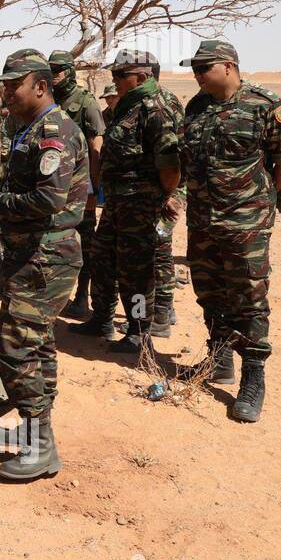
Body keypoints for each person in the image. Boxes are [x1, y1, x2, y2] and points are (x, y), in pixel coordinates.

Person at [0, 49, 88, 481]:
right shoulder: (24, 127)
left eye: (15, 85)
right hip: (32, 257)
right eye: (5, 85)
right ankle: (39, 430)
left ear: (41, 86)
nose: (7, 92)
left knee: (14, 347)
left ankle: (41, 444)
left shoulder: (56, 131)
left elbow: (48, 199)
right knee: (39, 344)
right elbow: (11, 175)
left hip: (45, 257)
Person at [179, 40, 281, 423]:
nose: (197, 75)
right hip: (203, 219)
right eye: (194, 69)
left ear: (229, 66)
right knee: (209, 288)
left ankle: (253, 376)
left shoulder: (264, 104)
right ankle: (219, 360)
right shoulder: (197, 106)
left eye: (204, 68)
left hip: (246, 220)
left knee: (248, 295)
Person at [70, 50, 181, 353]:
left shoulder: (157, 107)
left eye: (121, 75)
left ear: (142, 76)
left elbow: (170, 165)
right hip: (118, 202)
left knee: (136, 272)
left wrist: (165, 197)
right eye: (114, 75)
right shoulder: (128, 105)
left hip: (141, 205)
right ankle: (102, 318)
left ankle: (138, 329)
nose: (114, 80)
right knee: (102, 258)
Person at [46, 52, 106, 322]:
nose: (54, 73)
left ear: (70, 71)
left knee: (85, 242)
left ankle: (82, 297)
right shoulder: (49, 101)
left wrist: (93, 189)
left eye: (58, 69)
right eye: (51, 69)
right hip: (53, 187)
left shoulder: (84, 102)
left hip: (80, 189)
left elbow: (96, 147)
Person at [150, 62, 187, 337]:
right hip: (157, 194)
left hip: (170, 194)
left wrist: (170, 195)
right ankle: (161, 308)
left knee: (161, 247)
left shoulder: (162, 105)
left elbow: (173, 159)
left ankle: (163, 310)